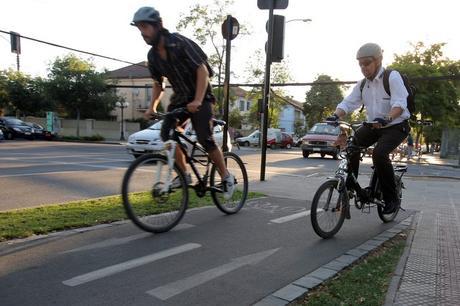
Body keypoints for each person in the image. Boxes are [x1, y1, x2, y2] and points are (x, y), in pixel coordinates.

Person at [131, 6, 235, 199]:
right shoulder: (152, 56)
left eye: (145, 27)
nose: (142, 33)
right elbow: (157, 83)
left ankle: (226, 176)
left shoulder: (179, 42)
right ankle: (184, 174)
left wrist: (197, 99)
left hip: (201, 97)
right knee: (167, 134)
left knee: (205, 138)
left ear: (158, 25)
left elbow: (202, 70)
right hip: (180, 99)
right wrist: (152, 107)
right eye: (139, 28)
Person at [326, 43, 410, 214]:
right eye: (360, 64)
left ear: (378, 60)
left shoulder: (392, 77)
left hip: (396, 126)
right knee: (352, 146)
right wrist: (336, 115)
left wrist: (387, 118)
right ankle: (351, 185)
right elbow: (349, 103)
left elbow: (400, 104)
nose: (364, 67)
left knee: (379, 154)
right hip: (374, 126)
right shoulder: (363, 84)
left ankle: (391, 198)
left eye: (367, 63)